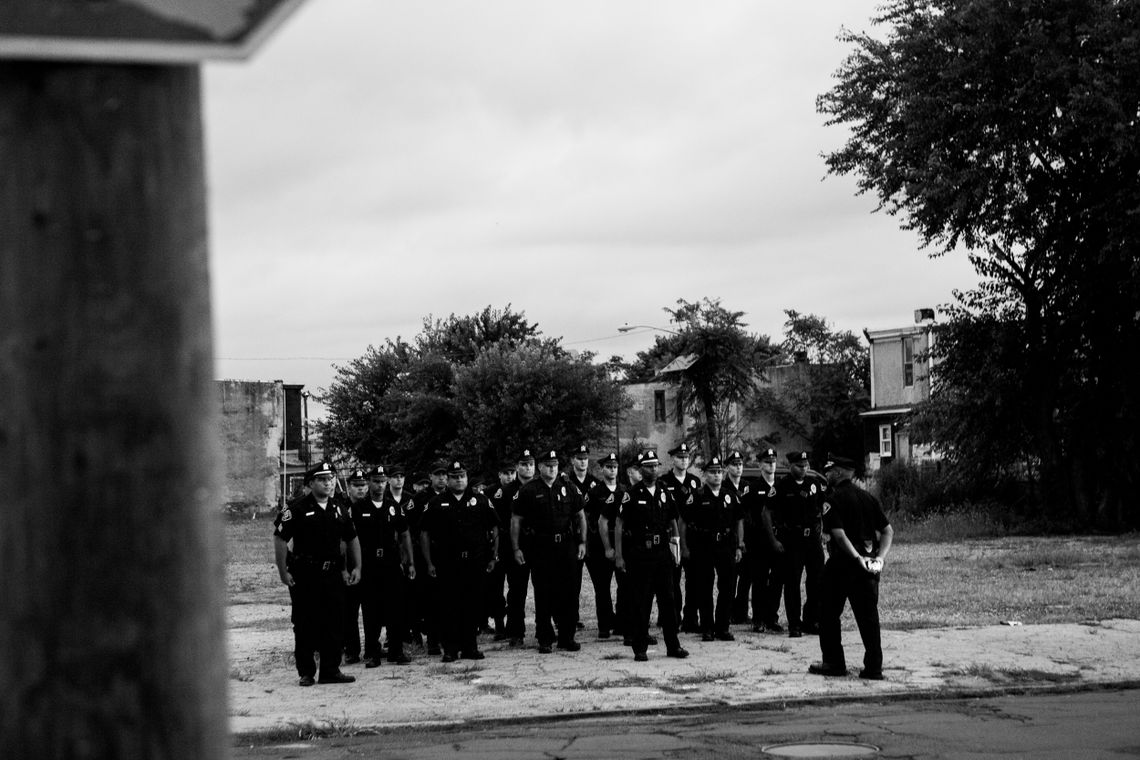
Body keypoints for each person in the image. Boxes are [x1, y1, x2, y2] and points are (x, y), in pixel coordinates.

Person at [272, 461, 361, 686]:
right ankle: (307, 672)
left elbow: (351, 538)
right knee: (305, 623)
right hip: (306, 575)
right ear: (311, 483)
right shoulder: (296, 508)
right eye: (323, 479)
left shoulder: (338, 507)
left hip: (332, 575)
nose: (328, 483)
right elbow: (280, 539)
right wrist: (283, 572)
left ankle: (330, 670)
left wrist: (356, 567)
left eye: (331, 479)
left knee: (334, 622)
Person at [808, 453, 893, 680]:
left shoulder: (832, 500)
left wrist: (856, 557)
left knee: (827, 612)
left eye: (828, 471)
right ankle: (874, 667)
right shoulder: (868, 498)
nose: (826, 475)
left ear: (837, 472)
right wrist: (880, 558)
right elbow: (887, 531)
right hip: (867, 567)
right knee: (868, 618)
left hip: (842, 566)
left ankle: (834, 663)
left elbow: (838, 534)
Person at [420, 461, 499, 662]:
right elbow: (425, 533)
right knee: (449, 606)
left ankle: (470, 647)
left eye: (462, 476)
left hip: (475, 562)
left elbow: (495, 528)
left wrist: (493, 556)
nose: (459, 479)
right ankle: (450, 649)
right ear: (448, 479)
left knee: (472, 605)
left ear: (467, 476)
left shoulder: (480, 500)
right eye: (454, 476)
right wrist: (429, 563)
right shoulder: (437, 503)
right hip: (448, 563)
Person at [614, 450, 688, 661]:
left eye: (655, 465)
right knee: (642, 602)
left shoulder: (664, 491)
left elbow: (673, 519)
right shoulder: (632, 494)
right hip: (640, 554)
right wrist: (619, 555)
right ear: (640, 469)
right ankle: (640, 647)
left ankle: (673, 646)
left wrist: (676, 545)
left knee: (669, 601)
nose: (653, 469)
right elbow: (619, 525)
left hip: (662, 553)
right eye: (648, 466)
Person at [511, 449, 587, 653]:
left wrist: (582, 542)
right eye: (548, 465)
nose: (552, 468)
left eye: (555, 465)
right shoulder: (528, 490)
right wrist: (517, 547)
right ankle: (544, 637)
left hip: (566, 546)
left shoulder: (568, 487)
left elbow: (580, 516)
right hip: (540, 547)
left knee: (569, 592)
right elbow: (516, 520)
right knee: (544, 593)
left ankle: (566, 637)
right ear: (540, 467)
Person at [353, 465, 415, 666]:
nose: (379, 485)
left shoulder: (393, 506)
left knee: (395, 608)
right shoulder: (358, 508)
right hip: (369, 565)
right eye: (376, 481)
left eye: (382, 481)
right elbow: (349, 538)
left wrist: (410, 562)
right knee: (371, 610)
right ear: (369, 482)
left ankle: (396, 651)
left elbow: (404, 534)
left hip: (390, 564)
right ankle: (372, 653)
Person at [678, 456, 744, 642]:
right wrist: (684, 547)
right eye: (713, 472)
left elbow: (739, 520)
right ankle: (707, 627)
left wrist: (740, 545)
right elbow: (683, 522)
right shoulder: (697, 496)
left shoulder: (729, 495)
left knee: (728, 587)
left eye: (719, 472)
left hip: (726, 546)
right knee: (704, 587)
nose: (717, 475)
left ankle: (722, 627)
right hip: (703, 546)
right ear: (705, 475)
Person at [774, 451, 828, 637]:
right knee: (792, 583)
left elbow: (824, 508)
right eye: (799, 466)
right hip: (792, 539)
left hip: (812, 539)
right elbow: (770, 513)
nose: (803, 469)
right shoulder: (782, 486)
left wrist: (824, 533)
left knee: (817, 581)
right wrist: (777, 538)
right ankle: (794, 624)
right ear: (791, 466)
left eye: (806, 465)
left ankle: (811, 620)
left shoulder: (814, 484)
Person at [741, 447, 784, 633]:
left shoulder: (781, 486)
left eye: (773, 461)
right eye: (767, 462)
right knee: (759, 581)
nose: (771, 465)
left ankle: (771, 617)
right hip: (758, 541)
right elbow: (745, 515)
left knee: (776, 581)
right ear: (760, 465)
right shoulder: (752, 488)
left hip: (778, 540)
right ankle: (758, 619)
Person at [407, 463, 448, 655]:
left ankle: (447, 637)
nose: (441, 478)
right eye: (437, 475)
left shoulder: (453, 496)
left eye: (444, 475)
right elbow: (410, 527)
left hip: (450, 554)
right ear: (431, 476)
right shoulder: (420, 499)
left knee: (450, 598)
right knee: (431, 599)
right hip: (427, 554)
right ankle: (432, 640)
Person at [660, 443, 699, 630]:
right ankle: (672, 618)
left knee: (693, 580)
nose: (684, 460)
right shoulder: (663, 482)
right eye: (680, 457)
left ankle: (691, 619)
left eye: (686, 457)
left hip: (692, 536)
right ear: (672, 459)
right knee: (671, 581)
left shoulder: (695, 482)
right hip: (670, 536)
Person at [585, 452, 622, 639]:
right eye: (609, 467)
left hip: (622, 544)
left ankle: (621, 623)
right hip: (601, 546)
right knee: (602, 588)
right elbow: (590, 520)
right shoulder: (594, 492)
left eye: (615, 466)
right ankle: (604, 625)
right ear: (602, 469)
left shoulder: (624, 490)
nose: (612, 470)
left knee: (624, 586)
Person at [504, 448, 537, 645]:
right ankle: (515, 632)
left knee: (545, 589)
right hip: (516, 546)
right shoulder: (507, 491)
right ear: (517, 467)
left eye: (531, 464)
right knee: (517, 590)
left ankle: (545, 629)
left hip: (538, 545)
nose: (528, 467)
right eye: (524, 464)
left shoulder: (542, 487)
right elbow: (503, 521)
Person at [565, 444, 599, 632]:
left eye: (585, 458)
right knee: (573, 581)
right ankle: (572, 616)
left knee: (599, 581)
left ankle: (605, 618)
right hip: (573, 537)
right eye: (579, 458)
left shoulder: (594, 483)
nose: (583, 462)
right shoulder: (566, 482)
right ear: (572, 461)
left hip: (592, 538)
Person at [484, 460, 517, 640]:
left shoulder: (519, 491)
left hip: (513, 543)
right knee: (495, 587)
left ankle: (512, 624)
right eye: (506, 473)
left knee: (515, 586)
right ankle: (499, 625)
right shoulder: (489, 492)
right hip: (496, 543)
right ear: (499, 474)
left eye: (512, 472)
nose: (510, 476)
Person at [341, 467, 370, 665]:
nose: (360, 489)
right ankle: (352, 650)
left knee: (371, 610)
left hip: (371, 565)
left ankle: (372, 648)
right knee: (349, 611)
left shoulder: (373, 505)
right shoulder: (340, 508)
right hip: (349, 564)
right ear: (349, 488)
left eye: (363, 486)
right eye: (356, 486)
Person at [724, 450, 753, 624]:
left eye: (741, 464)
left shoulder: (747, 486)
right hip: (730, 538)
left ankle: (741, 612)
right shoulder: (724, 487)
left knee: (746, 577)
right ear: (728, 467)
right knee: (730, 578)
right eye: (735, 465)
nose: (738, 468)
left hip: (748, 538)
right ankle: (727, 612)